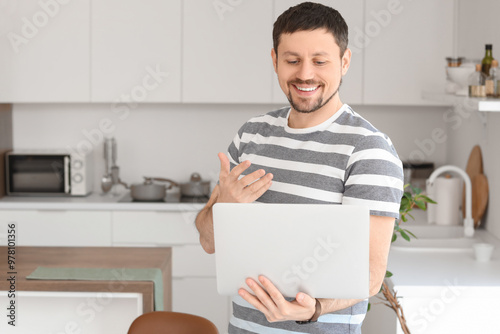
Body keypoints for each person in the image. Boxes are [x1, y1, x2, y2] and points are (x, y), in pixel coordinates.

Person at [195, 2, 404, 333]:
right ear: (275, 61)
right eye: (292, 60)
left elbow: (369, 274)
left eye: (320, 61)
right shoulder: (251, 135)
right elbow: (209, 242)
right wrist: (224, 207)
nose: (305, 74)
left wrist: (314, 308)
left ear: (344, 61)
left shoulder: (367, 149)